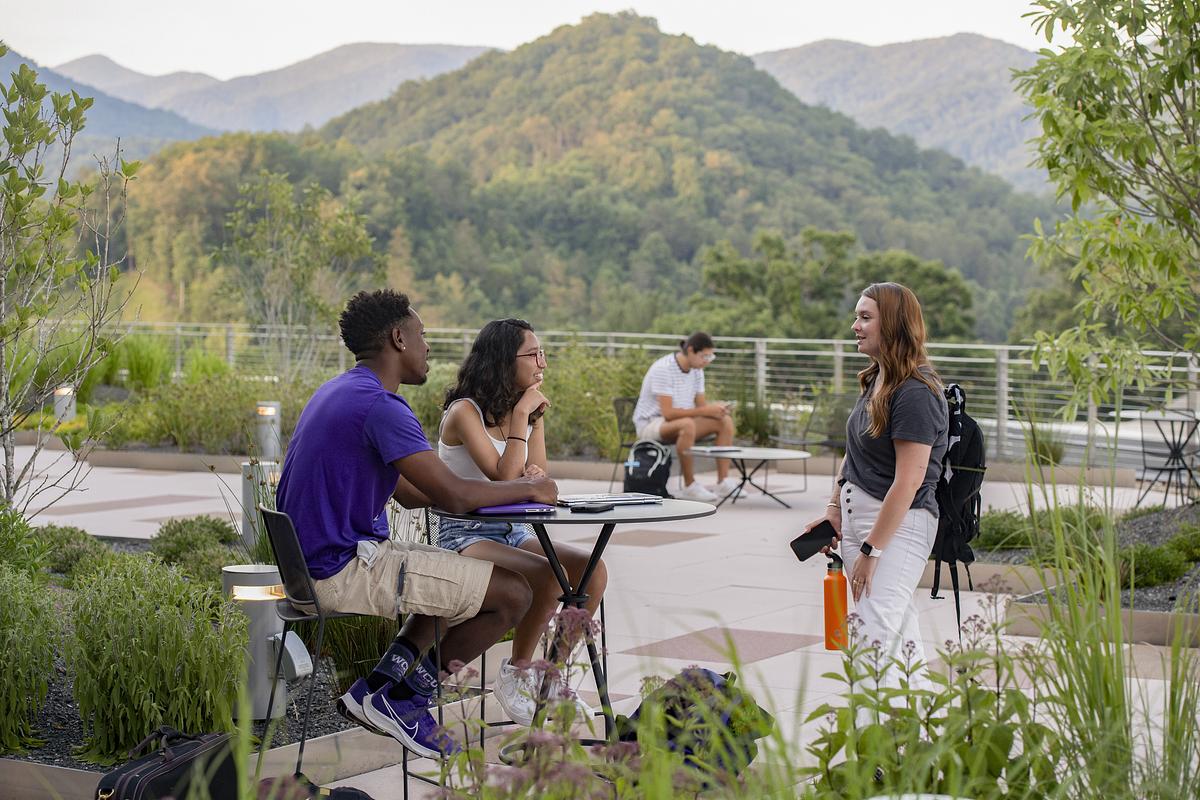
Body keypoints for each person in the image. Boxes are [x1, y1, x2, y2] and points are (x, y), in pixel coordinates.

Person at [275, 290, 558, 759]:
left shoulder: (341, 390)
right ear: (398, 338)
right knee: (513, 594)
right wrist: (527, 490)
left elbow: (409, 493)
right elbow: (453, 494)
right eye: (422, 335)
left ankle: (381, 686)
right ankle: (407, 702)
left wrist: (477, 497)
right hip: (342, 567)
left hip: (317, 563)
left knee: (449, 571)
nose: (428, 347)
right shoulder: (381, 406)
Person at [435, 318, 607, 725]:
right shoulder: (464, 412)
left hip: (516, 529)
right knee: (549, 576)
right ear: (501, 359)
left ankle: (550, 680)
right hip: (466, 532)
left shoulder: (521, 411)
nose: (542, 362)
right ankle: (516, 674)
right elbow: (505, 476)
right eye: (533, 354)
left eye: (543, 353)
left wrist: (532, 421)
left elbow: (539, 477)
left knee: (591, 572)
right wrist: (523, 417)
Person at [803, 282, 948, 691]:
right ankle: (916, 742)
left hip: (897, 529)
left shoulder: (916, 392)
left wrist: (872, 548)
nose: (855, 325)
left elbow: (909, 480)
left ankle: (874, 746)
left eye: (866, 317)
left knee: (875, 639)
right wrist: (835, 507)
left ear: (895, 325)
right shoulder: (878, 379)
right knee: (895, 635)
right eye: (856, 316)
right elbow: (855, 453)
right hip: (863, 522)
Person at [631, 331, 736, 502]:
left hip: (681, 423)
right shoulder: (663, 368)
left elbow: (701, 407)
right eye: (704, 356)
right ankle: (690, 486)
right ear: (691, 351)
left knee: (724, 421)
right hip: (651, 424)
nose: (706, 361)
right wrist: (704, 411)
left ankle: (723, 481)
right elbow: (669, 414)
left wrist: (715, 410)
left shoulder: (697, 370)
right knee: (687, 424)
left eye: (710, 357)